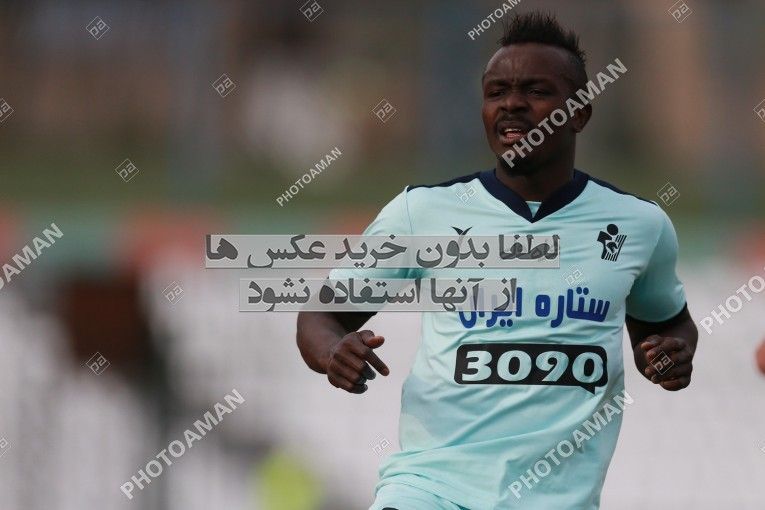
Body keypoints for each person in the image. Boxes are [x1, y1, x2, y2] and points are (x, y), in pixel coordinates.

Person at [296, 12, 698, 510]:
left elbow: (668, 324)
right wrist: (334, 352)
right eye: (496, 92)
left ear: (579, 113)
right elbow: (322, 315)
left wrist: (670, 354)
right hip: (428, 492)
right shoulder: (422, 213)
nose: (512, 104)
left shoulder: (639, 225)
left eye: (536, 91)